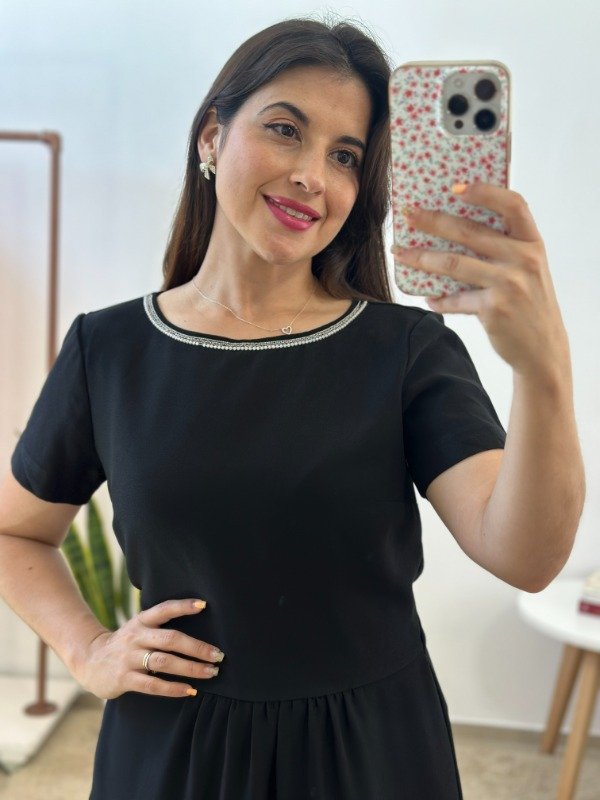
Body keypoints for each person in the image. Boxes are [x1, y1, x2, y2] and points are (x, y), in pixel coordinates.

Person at [0, 14, 585, 800]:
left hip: (371, 755)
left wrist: (543, 369)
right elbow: (14, 530)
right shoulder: (107, 349)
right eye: (286, 130)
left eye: (346, 156)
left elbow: (527, 556)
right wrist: (86, 649)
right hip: (173, 753)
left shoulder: (407, 350)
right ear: (212, 138)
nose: (314, 175)